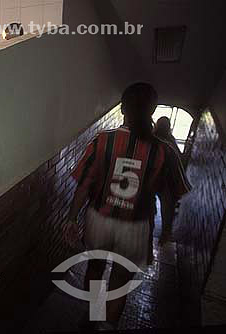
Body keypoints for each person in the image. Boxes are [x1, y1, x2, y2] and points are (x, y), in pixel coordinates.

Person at [65, 83, 191, 330]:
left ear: (123, 108)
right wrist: (166, 230)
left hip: (98, 219)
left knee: (95, 268)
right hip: (136, 227)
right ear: (153, 110)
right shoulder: (165, 151)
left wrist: (71, 217)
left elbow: (84, 184)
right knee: (120, 280)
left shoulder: (103, 140)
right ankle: (107, 326)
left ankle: (93, 315)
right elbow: (168, 198)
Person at [153, 116, 183, 245]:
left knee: (149, 204)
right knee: (167, 208)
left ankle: (149, 232)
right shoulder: (171, 142)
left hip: (154, 177)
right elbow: (179, 159)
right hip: (167, 181)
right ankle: (165, 234)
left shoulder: (152, 139)